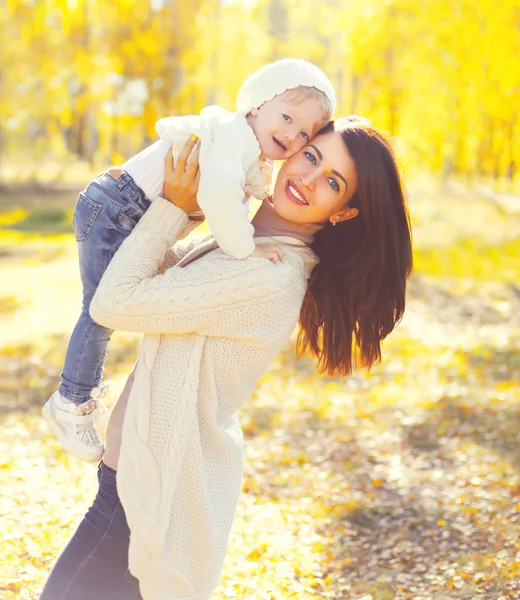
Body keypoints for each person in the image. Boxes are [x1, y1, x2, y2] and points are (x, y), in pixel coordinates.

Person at [40, 116, 413, 600]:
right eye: (311, 157)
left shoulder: (267, 274)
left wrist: (174, 208)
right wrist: (189, 206)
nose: (308, 180)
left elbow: (113, 303)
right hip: (138, 486)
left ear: (342, 212)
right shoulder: (253, 246)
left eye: (333, 183)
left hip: (144, 499)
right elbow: (161, 287)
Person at [42, 58, 336, 463]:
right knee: (100, 310)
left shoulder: (243, 143)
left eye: (303, 132)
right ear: (255, 105)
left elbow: (244, 183)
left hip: (121, 205)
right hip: (117, 208)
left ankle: (76, 398)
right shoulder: (233, 140)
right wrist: (246, 245)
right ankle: (71, 402)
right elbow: (217, 195)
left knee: (106, 300)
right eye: (286, 117)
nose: (291, 133)